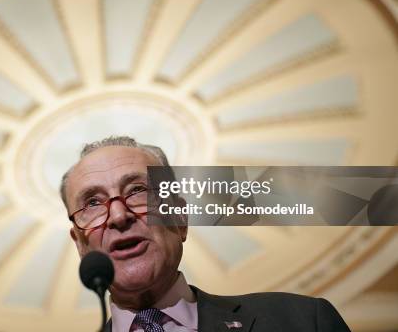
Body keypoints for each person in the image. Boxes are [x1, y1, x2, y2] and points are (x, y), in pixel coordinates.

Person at [60, 136, 351, 332]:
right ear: (80, 245)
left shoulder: (301, 321)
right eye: (93, 203)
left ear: (181, 218)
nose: (120, 216)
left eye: (138, 191)